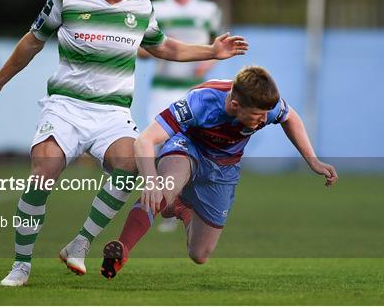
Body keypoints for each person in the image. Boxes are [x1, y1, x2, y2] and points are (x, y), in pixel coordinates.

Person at [0, 0, 248, 287]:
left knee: (129, 166)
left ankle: (80, 243)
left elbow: (165, 47)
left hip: (112, 113)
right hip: (66, 107)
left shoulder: (142, 8)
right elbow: (32, 42)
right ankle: (21, 265)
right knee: (44, 170)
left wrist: (212, 51)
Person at [99, 66, 338, 279]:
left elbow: (290, 117)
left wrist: (313, 161)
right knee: (164, 189)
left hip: (224, 167)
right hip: (187, 147)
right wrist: (151, 182)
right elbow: (145, 140)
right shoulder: (200, 102)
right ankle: (122, 249)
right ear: (235, 105)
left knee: (199, 254)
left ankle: (183, 208)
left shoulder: (266, 105)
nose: (265, 119)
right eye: (258, 116)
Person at [138, 0, 222, 233]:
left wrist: (207, 62)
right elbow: (142, 45)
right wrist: (144, 52)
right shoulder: (156, 7)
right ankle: (166, 206)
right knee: (159, 146)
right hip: (163, 89)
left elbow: (217, 45)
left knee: (192, 148)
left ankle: (184, 203)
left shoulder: (208, 10)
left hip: (194, 92)